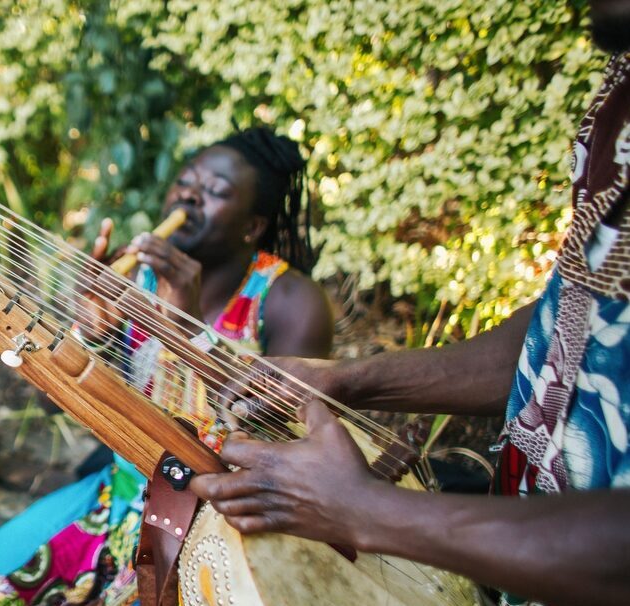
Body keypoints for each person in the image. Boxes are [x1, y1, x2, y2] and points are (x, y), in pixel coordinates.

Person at [190, 4, 630, 605]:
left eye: (215, 190)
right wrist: (347, 380)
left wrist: (366, 510)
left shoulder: (287, 295)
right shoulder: (621, 85)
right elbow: (568, 330)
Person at [0, 128, 334, 605]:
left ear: (252, 227)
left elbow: (284, 446)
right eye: (186, 181)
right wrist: (96, 336)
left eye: (215, 190)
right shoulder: (139, 277)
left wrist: (190, 328)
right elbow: (87, 406)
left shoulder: (291, 301)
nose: (189, 195)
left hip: (218, 526)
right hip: (123, 491)